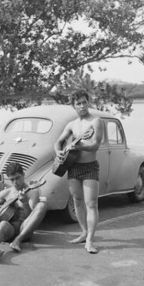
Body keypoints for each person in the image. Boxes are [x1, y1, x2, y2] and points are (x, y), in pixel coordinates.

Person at [54, 90, 104, 253]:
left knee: (91, 203)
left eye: (84, 102)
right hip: (73, 166)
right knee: (77, 201)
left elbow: (96, 144)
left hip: (90, 167)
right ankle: (83, 232)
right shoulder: (71, 125)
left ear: (88, 102)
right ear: (73, 106)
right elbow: (58, 142)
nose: (82, 106)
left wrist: (80, 146)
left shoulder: (96, 122)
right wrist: (59, 152)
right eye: (78, 103)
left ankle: (90, 240)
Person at [0, 162, 47, 260]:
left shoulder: (32, 192)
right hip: (10, 229)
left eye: (17, 178)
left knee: (42, 205)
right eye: (12, 179)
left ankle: (18, 240)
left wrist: (25, 202)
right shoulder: (7, 192)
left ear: (23, 175)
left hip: (25, 228)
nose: (15, 182)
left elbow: (33, 214)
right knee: (2, 224)